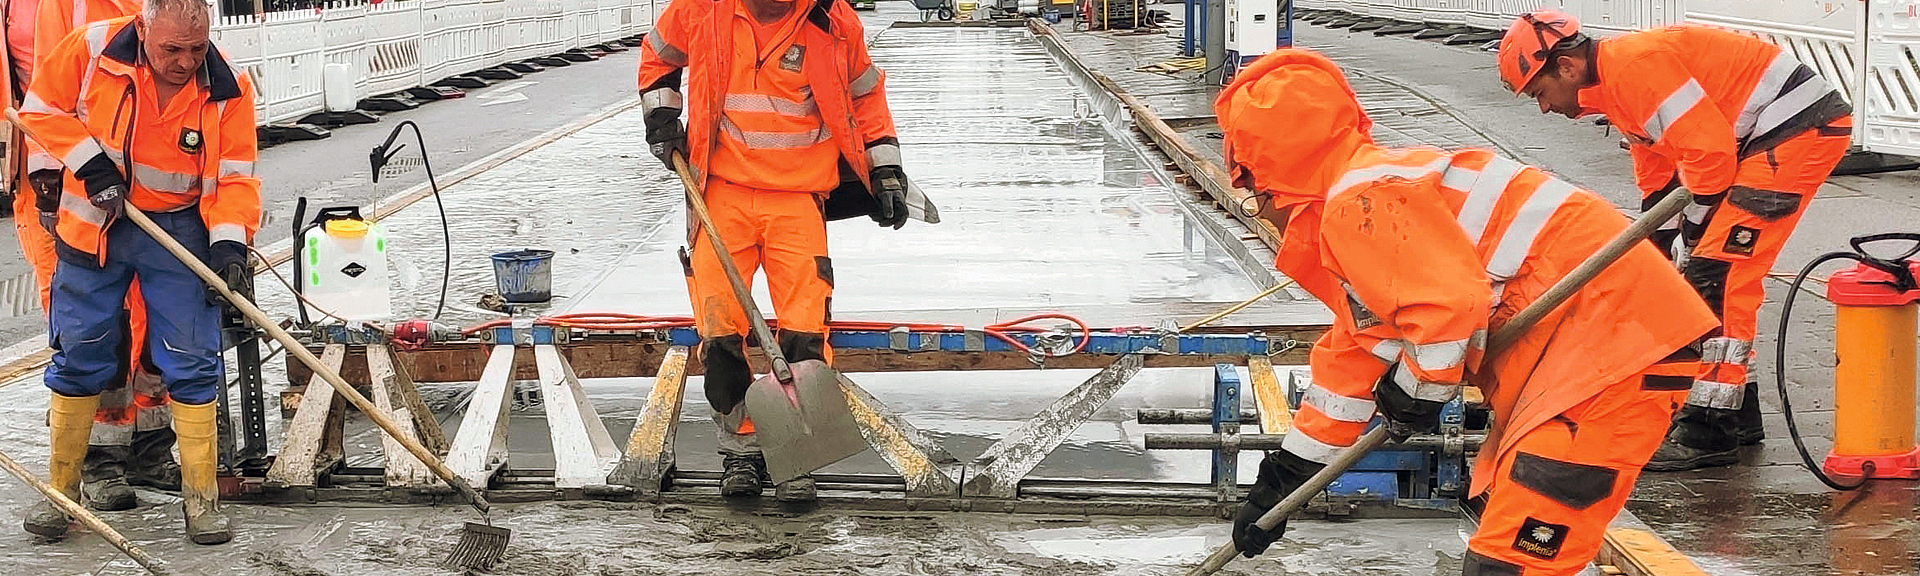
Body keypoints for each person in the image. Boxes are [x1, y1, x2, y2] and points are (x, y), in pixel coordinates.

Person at [1216, 49, 1718, 575]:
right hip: (1588, 356)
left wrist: (1416, 391)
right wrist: (1282, 482)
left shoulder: (1362, 200)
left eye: (1253, 194)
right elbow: (1351, 362)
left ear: (1272, 177)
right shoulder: (1374, 198)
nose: (1261, 211)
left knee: (1514, 562)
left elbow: (1448, 310)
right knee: (1507, 548)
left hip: (1611, 357)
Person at [1497, 10, 1852, 471]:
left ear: (1566, 67)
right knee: (1706, 269)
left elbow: (1708, 155)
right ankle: (1738, 414)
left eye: (1541, 94)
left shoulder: (1633, 69)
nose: (1545, 107)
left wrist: (1696, 228)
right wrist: (1658, 241)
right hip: (1768, 138)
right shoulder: (1613, 84)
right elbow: (1658, 167)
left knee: (1718, 273)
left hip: (1795, 131)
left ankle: (1709, 428)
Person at [637, 0, 934, 501]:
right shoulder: (701, 9)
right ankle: (741, 453)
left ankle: (793, 456)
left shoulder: (833, 20)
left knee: (804, 337)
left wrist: (885, 170)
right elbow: (657, 58)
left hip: (799, 198)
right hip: (721, 192)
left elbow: (866, 97)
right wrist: (663, 120)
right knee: (722, 336)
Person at [18, 0, 258, 544]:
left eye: (197, 49)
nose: (185, 62)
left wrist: (228, 247)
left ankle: (202, 504)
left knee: (192, 359)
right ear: (143, 29)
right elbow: (39, 108)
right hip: (95, 225)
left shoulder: (229, 88)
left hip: (177, 233)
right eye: (172, 49)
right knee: (81, 354)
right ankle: (62, 496)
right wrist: (90, 163)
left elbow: (236, 178)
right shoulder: (90, 50)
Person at [22, 0, 177, 514]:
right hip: (89, 197)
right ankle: (97, 461)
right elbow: (49, 85)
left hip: (157, 209)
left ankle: (152, 445)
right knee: (95, 332)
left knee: (159, 328)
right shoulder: (67, 9)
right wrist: (48, 171)